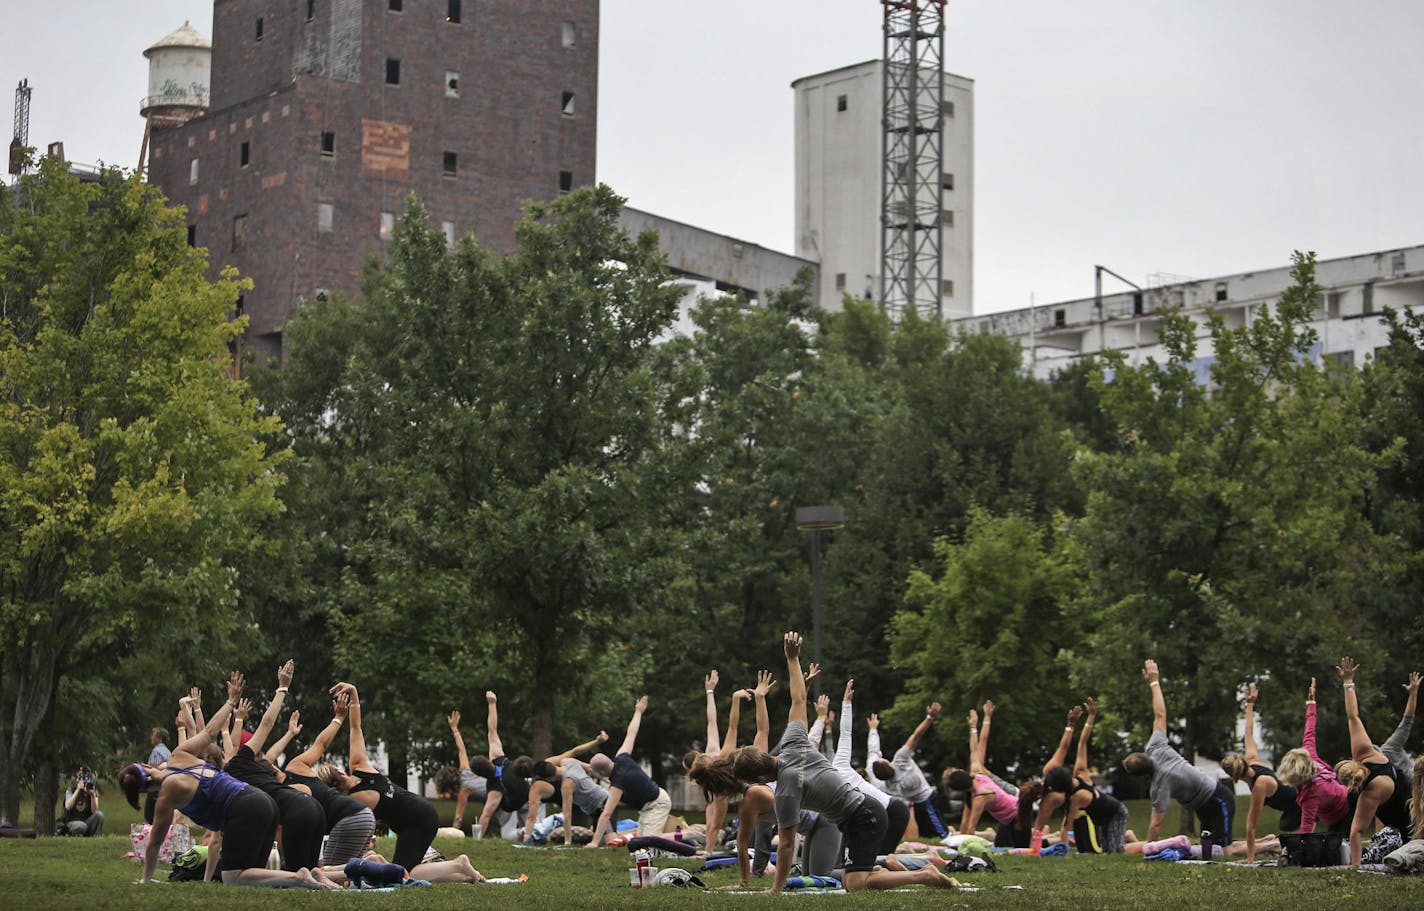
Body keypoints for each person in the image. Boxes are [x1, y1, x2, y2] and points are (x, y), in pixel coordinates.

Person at [728, 632, 957, 893]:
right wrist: (792, 658)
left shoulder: (786, 790)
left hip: (863, 816)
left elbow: (786, 845)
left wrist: (775, 889)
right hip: (858, 815)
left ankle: (925, 875)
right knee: (849, 880)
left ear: (759, 779)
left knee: (856, 885)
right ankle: (885, 868)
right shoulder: (794, 741)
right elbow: (799, 700)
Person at [119, 673, 339, 889]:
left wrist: (146, 880)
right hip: (264, 802)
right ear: (147, 767)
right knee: (252, 876)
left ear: (144, 792)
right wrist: (230, 701)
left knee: (232, 878)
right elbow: (209, 731)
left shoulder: (167, 794)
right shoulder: (179, 755)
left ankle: (299, 877)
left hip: (244, 809)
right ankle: (305, 876)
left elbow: (155, 843)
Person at [322, 682, 486, 882]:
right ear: (340, 771)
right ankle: (466, 877)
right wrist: (354, 693)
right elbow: (356, 726)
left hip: (417, 822)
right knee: (404, 868)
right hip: (421, 811)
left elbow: (360, 829)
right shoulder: (360, 765)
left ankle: (458, 864)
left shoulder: (355, 800)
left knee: (403, 874)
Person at [221, 660, 327, 872]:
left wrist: (229, 722)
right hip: (315, 809)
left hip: (298, 812)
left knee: (300, 876)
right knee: (313, 873)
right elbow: (266, 727)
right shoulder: (256, 765)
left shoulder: (234, 771)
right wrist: (282, 688)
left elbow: (256, 730)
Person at [1122, 659, 1234, 849]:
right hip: (1204, 804)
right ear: (1144, 754)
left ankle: (1269, 845)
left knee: (1224, 850)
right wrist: (1154, 682)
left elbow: (1156, 824)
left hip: (1217, 798)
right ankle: (1268, 842)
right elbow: (1160, 714)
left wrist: (1150, 849)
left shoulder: (1159, 784)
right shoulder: (1155, 747)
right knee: (1213, 847)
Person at [282, 690, 379, 868]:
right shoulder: (295, 767)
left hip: (350, 819)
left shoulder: (280, 793)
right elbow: (321, 744)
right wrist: (339, 718)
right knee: (348, 872)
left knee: (328, 873)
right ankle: (375, 863)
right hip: (365, 816)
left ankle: (381, 866)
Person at [1335, 657, 1414, 868]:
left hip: (1404, 813)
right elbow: (1353, 716)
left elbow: (1357, 832)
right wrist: (1348, 681)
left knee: (1412, 851)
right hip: (1400, 792)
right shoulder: (1364, 752)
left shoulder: (1370, 793)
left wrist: (1355, 867)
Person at [1220, 683, 1301, 863]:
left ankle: (1273, 844)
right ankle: (1272, 842)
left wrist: (1250, 859)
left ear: (1235, 777)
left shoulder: (1260, 785)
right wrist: (1250, 704)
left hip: (1299, 807)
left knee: (1294, 849)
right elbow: (1248, 733)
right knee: (1237, 846)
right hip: (1289, 805)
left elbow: (1251, 826)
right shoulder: (1252, 759)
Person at [1044, 697, 1134, 853]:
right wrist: (1090, 716)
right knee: (1106, 851)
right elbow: (1082, 743)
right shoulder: (1080, 772)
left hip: (1115, 813)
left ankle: (1152, 847)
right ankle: (1133, 839)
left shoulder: (1076, 797)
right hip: (1101, 818)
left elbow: (1066, 826)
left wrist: (1062, 851)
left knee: (1116, 851)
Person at [587, 695, 673, 846]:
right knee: (639, 845)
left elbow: (606, 813)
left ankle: (687, 835)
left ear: (601, 773)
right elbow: (631, 733)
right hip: (648, 806)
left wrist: (594, 842)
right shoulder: (622, 757)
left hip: (657, 804)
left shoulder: (617, 784)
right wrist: (638, 711)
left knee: (649, 844)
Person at [1275, 677, 1351, 837]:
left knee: (1343, 852)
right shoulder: (1309, 754)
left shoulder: (1312, 794)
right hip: (1340, 802)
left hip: (1344, 813)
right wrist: (1311, 703)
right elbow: (1310, 729)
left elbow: (1307, 826)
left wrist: (1300, 847)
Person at [948, 702, 1030, 846]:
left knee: (1023, 847)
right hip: (1007, 814)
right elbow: (974, 748)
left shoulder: (980, 790)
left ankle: (1046, 842)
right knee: (1002, 847)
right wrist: (973, 727)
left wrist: (986, 718)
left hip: (1016, 807)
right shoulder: (975, 776)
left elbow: (972, 826)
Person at [867, 699, 948, 840]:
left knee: (937, 835)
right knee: (940, 835)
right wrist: (930, 717)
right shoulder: (900, 760)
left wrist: (873, 730)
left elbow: (873, 750)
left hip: (920, 803)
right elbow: (916, 736)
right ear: (888, 763)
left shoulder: (884, 785)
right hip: (926, 799)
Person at [433, 709, 488, 834]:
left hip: (498, 796)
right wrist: (454, 729)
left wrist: (453, 832)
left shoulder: (464, 789)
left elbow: (459, 816)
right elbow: (461, 750)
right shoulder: (465, 770)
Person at [1034, 705, 1084, 833]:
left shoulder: (1050, 770)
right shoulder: (1053, 798)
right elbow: (1038, 829)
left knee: (1045, 831)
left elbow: (1063, 748)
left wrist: (1070, 724)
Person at [58, 766, 104, 837]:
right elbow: (68, 806)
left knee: (99, 815)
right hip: (72, 822)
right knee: (82, 826)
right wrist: (78, 790)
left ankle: (96, 836)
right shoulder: (70, 790)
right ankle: (71, 834)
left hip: (86, 821)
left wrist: (92, 795)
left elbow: (95, 811)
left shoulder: (93, 791)